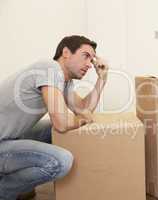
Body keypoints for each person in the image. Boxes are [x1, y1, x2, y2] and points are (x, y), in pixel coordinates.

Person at [0, 35, 108, 200]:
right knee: (61, 161)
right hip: (3, 142)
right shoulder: (49, 68)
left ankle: (17, 183)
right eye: (86, 56)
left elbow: (84, 109)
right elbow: (62, 124)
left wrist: (102, 78)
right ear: (66, 52)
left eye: (92, 60)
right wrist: (82, 120)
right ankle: (5, 191)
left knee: (51, 132)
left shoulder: (64, 81)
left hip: (10, 137)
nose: (89, 65)